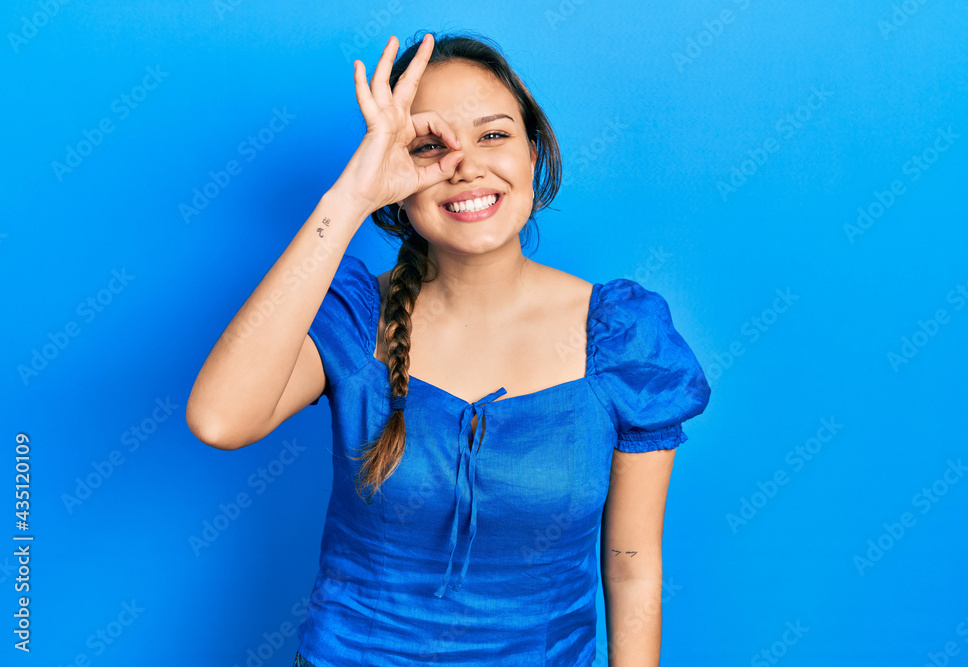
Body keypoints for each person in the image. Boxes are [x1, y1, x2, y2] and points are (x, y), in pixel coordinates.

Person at [186, 29, 711, 667]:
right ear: (397, 176)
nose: (465, 166)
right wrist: (350, 198)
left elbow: (632, 567)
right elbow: (220, 419)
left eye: (493, 135)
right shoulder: (352, 315)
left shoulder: (625, 338)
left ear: (533, 153)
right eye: (430, 145)